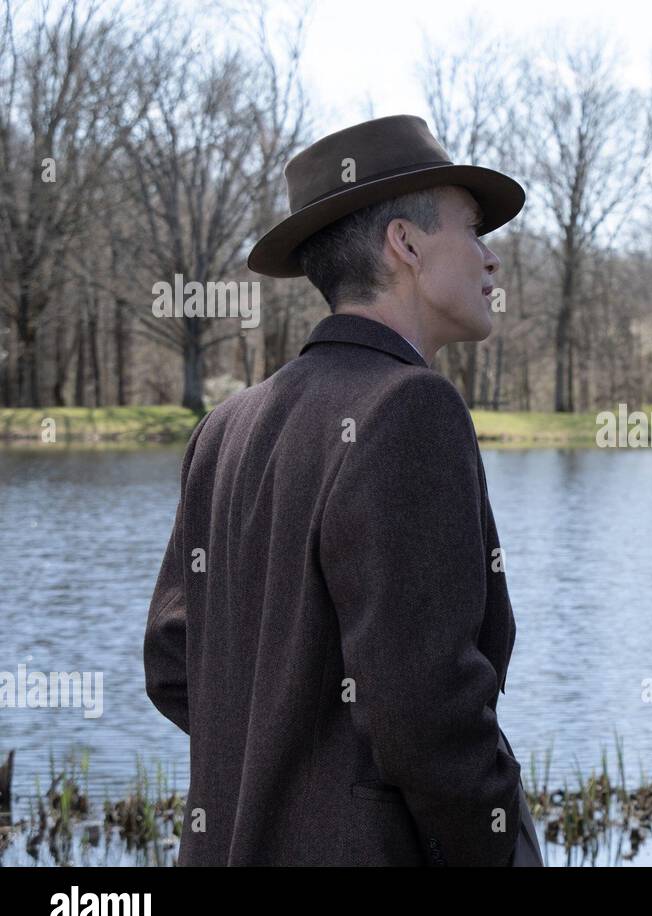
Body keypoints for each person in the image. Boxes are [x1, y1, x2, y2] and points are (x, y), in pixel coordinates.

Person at [144, 114, 542, 865]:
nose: (491, 260)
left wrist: (281, 774)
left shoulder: (224, 426)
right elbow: (424, 703)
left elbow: (174, 663)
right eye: (472, 230)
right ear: (407, 243)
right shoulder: (409, 408)